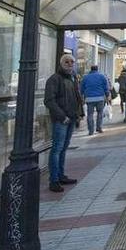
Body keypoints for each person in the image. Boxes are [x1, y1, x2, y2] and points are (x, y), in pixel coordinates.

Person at [43, 54, 83, 192]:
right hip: (62, 120)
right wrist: (62, 116)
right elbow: (49, 100)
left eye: (72, 61)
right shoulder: (54, 79)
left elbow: (77, 97)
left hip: (71, 118)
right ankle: (54, 180)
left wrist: (78, 115)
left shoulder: (73, 78)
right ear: (61, 63)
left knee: (63, 148)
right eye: (67, 61)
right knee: (57, 149)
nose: (70, 64)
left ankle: (60, 175)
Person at [80, 64, 110, 135]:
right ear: (97, 69)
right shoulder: (102, 76)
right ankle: (99, 128)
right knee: (100, 113)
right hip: (100, 98)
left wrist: (82, 96)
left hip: (89, 99)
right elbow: (106, 87)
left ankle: (91, 130)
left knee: (90, 114)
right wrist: (107, 95)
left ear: (91, 69)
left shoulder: (85, 77)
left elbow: (81, 88)